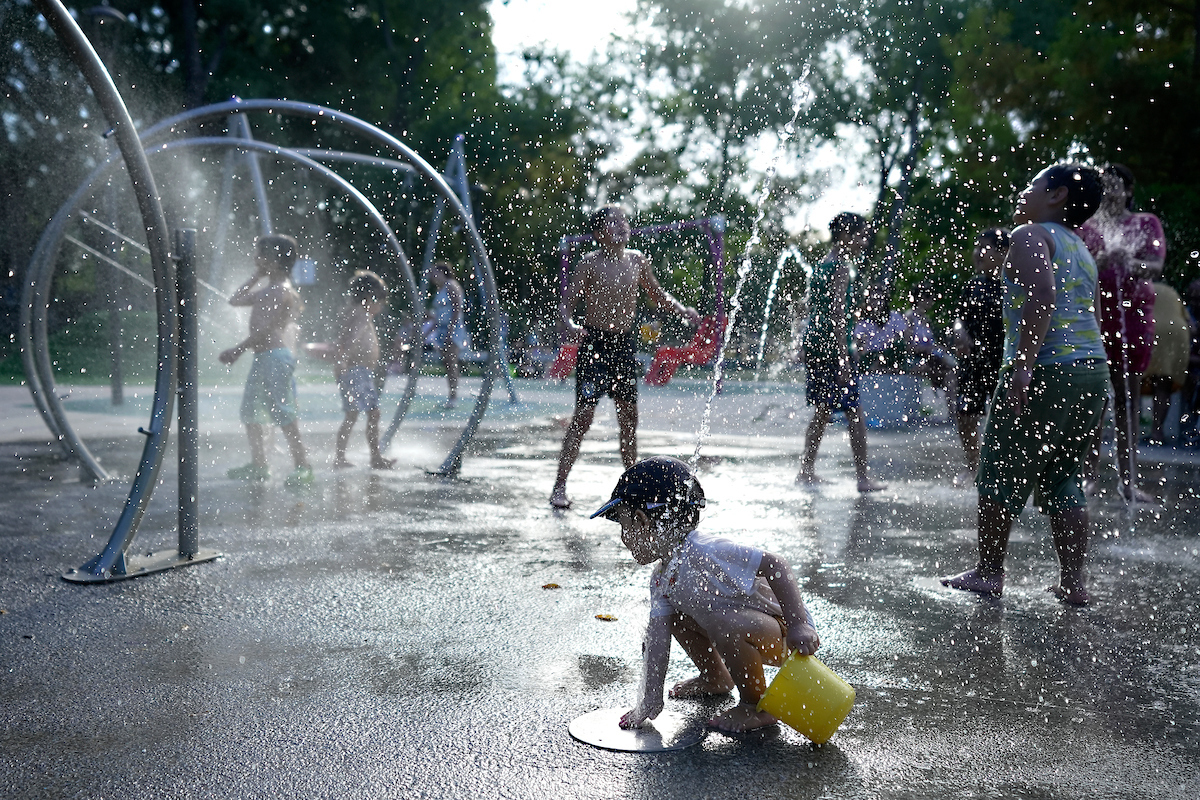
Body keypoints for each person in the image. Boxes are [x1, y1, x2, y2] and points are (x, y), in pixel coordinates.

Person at [941, 162, 1109, 606]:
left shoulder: (1031, 235)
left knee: (999, 465)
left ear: (1056, 196)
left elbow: (1042, 297)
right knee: (1063, 474)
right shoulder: (1083, 249)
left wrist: (1021, 366)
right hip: (1091, 369)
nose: (1023, 191)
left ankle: (989, 571)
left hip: (1047, 368)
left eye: (1033, 184)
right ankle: (1074, 583)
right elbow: (1089, 315)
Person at [590, 456, 820, 734]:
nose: (624, 538)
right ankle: (715, 678)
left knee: (724, 621)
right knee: (675, 616)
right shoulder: (662, 578)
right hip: (742, 630)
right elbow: (657, 640)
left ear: (642, 520)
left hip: (783, 635)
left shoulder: (705, 551)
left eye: (625, 526)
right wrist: (649, 700)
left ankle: (756, 705)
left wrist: (799, 624)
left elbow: (775, 564)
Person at [548, 205, 699, 510]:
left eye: (624, 221)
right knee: (583, 418)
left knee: (629, 419)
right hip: (594, 345)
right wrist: (571, 326)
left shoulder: (637, 260)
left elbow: (656, 295)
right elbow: (565, 306)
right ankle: (559, 486)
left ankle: (631, 486)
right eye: (613, 222)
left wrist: (681, 309)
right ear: (598, 233)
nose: (621, 226)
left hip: (623, 347)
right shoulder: (589, 264)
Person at [1079, 165, 1166, 503]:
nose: (1110, 192)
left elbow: (1157, 267)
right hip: (1095, 319)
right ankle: (1089, 478)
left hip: (1133, 318)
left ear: (1129, 190)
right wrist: (1102, 259)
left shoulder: (1145, 223)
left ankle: (1128, 482)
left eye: (1116, 186)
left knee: (1127, 402)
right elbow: (1080, 265)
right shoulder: (1086, 227)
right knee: (1093, 404)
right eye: (1104, 186)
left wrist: (1131, 262)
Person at [797, 212, 886, 492]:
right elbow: (836, 312)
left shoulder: (821, 264)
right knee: (854, 411)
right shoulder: (841, 267)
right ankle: (862, 478)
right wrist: (843, 355)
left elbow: (814, 309)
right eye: (860, 234)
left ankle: (806, 470)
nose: (864, 240)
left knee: (823, 410)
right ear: (846, 235)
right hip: (832, 349)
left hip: (816, 344)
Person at [219, 234, 314, 487]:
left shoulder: (280, 292)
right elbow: (234, 300)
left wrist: (238, 350)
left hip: (274, 357)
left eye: (259, 255)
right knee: (250, 412)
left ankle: (303, 466)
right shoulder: (268, 290)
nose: (254, 259)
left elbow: (266, 331)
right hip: (264, 358)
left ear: (273, 261)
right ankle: (259, 464)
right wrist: (255, 276)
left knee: (283, 413)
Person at [952, 227, 1011, 485]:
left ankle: (1004, 469)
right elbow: (958, 319)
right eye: (976, 247)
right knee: (965, 414)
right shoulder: (973, 285)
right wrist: (959, 332)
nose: (976, 253)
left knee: (1006, 418)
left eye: (983, 248)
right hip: (973, 360)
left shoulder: (1014, 284)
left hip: (1003, 362)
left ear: (1003, 253)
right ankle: (974, 466)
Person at [334, 270, 395, 470]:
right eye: (381, 301)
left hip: (358, 371)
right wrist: (342, 360)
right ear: (370, 298)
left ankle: (346, 457)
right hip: (356, 371)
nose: (382, 306)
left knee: (356, 415)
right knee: (369, 413)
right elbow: (350, 340)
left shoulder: (355, 313)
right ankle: (372, 458)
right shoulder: (361, 315)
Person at [1142, 280, 1191, 445]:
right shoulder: (1171, 291)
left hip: (1151, 330)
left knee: (1132, 384)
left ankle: (1130, 433)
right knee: (1163, 386)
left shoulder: (1141, 287)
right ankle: (1157, 433)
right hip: (1176, 332)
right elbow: (1189, 322)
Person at [427, 262, 466, 409]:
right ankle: (451, 395)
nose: (432, 276)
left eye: (434, 272)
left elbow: (457, 307)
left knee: (451, 362)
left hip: (453, 329)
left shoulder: (451, 285)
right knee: (447, 364)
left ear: (443, 272)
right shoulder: (440, 289)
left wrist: (450, 330)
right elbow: (437, 316)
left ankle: (453, 397)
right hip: (443, 329)